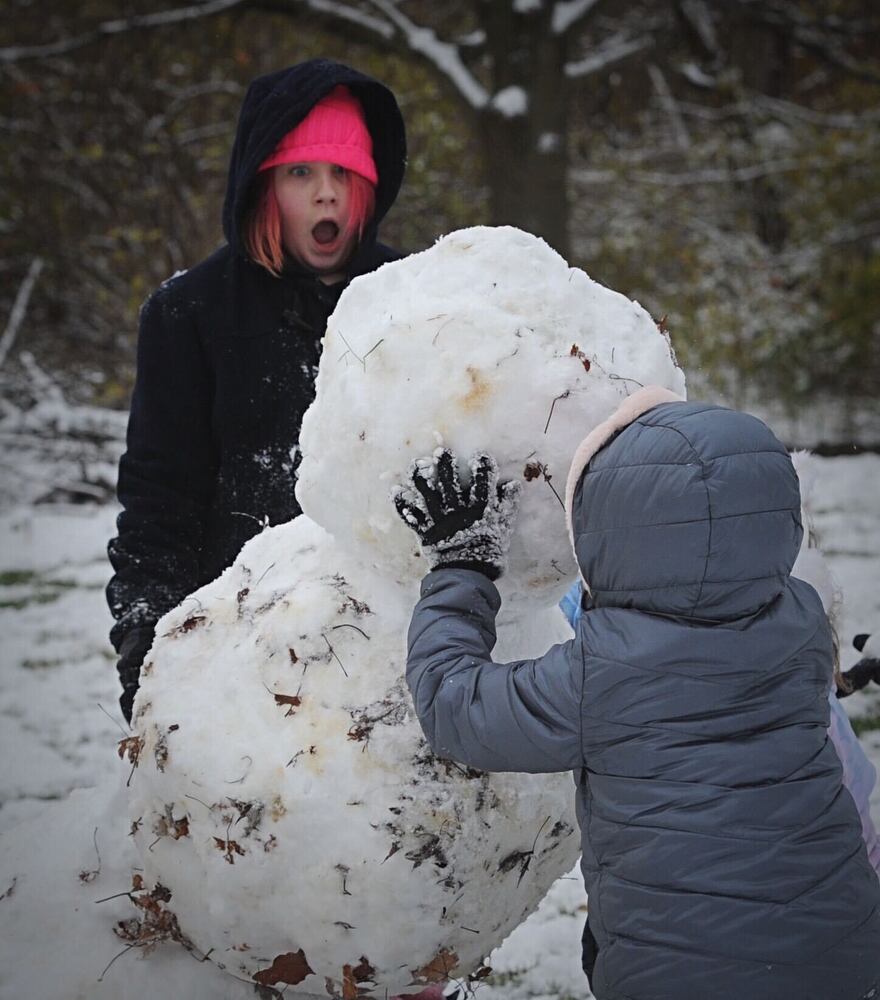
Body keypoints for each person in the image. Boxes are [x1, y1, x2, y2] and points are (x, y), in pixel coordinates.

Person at [393, 389, 880, 1000]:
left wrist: (461, 568)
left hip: (684, 975)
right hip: (839, 948)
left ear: (606, 535)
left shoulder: (604, 674)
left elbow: (454, 706)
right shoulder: (801, 624)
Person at [107, 58, 407, 724]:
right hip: (242, 650)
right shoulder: (191, 314)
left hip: (393, 651)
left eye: (344, 173)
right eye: (302, 172)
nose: (326, 194)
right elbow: (161, 497)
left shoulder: (414, 298)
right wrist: (147, 641)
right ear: (264, 185)